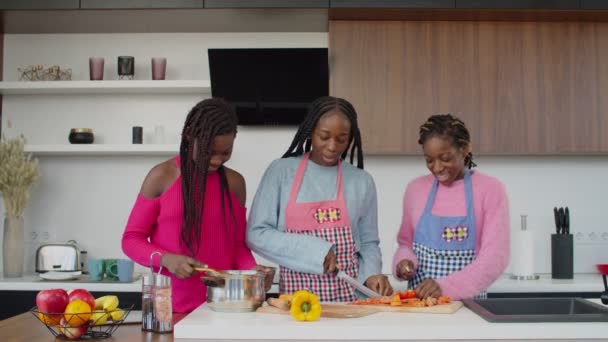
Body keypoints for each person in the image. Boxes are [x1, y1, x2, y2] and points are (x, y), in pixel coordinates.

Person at [122, 98, 270, 313]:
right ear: (189, 137)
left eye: (225, 152)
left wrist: (252, 270)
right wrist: (166, 259)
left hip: (225, 308)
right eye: (209, 152)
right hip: (170, 310)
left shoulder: (235, 183)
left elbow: (237, 246)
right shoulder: (162, 176)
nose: (217, 160)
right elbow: (131, 239)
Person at [247, 96, 393, 302]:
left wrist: (371, 275)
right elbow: (257, 234)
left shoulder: (361, 181)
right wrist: (317, 251)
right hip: (295, 305)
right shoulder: (280, 172)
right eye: (324, 136)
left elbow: (368, 242)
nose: (333, 146)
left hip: (351, 303)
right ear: (310, 132)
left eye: (341, 139)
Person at [392, 114, 509, 300]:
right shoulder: (415, 189)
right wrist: (404, 262)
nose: (437, 168)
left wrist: (444, 288)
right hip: (420, 306)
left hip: (469, 307)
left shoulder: (490, 189)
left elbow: (495, 258)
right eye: (429, 160)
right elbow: (406, 244)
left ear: (464, 149)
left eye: (445, 158)